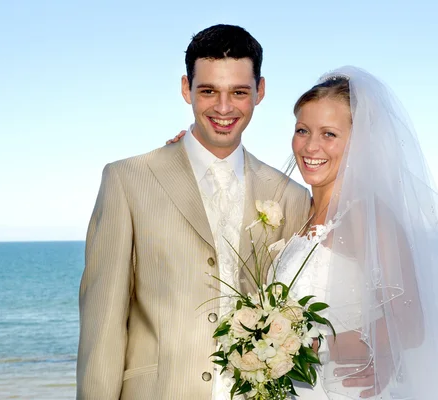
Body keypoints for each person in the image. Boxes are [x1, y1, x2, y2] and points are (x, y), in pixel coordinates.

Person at [76, 24, 311, 400]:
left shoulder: (292, 196)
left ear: (260, 91)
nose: (223, 108)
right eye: (208, 91)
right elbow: (102, 323)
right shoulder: (127, 180)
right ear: (186, 88)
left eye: (238, 92)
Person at [269, 67, 438, 399]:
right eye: (303, 130)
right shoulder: (298, 213)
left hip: (343, 389)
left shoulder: (366, 215)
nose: (311, 146)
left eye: (329, 134)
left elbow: (409, 324)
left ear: (359, 142)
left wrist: (297, 344)